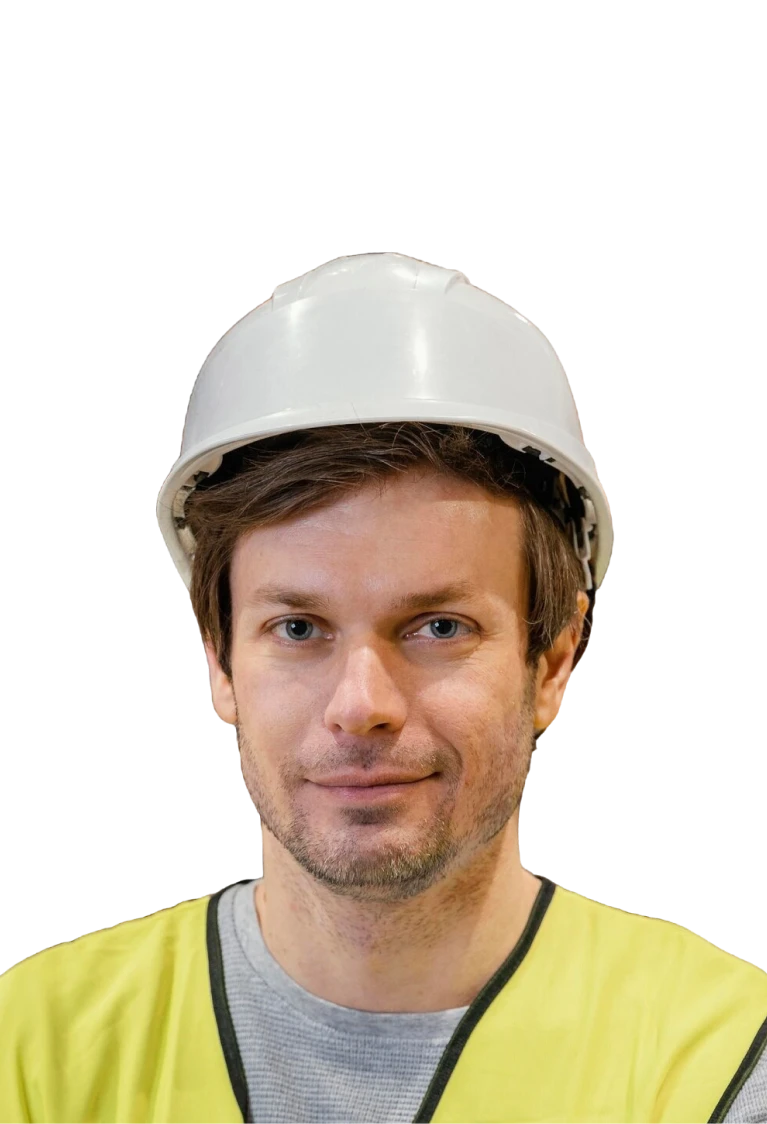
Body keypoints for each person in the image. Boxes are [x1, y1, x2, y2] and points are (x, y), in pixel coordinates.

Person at [2, 253, 765, 1122]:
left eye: (438, 627)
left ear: (552, 661)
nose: (360, 705)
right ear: (219, 662)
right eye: (298, 629)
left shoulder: (721, 1061)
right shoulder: (32, 1048)